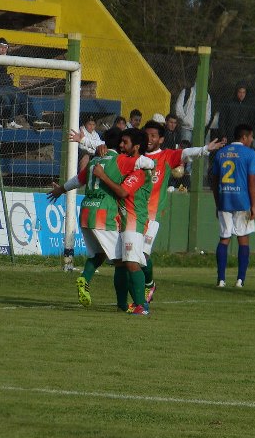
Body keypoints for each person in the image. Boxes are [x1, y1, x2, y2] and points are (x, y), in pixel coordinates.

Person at [47, 128, 154, 308]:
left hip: (86, 212)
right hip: (105, 215)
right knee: (123, 262)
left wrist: (61, 189)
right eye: (121, 142)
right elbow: (148, 163)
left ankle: (85, 278)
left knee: (99, 254)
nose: (122, 145)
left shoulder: (94, 160)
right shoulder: (122, 160)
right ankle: (134, 305)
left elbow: (78, 180)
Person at [142, 121, 225, 301]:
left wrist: (205, 149)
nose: (149, 139)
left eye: (153, 136)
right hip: (131, 213)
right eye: (146, 135)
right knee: (127, 258)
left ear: (161, 139)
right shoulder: (136, 155)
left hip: (152, 215)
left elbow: (186, 153)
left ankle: (148, 286)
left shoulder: (166, 156)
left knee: (142, 255)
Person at [92, 128, 152, 315]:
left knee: (132, 263)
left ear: (136, 146)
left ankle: (142, 306)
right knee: (120, 263)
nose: (120, 145)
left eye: (125, 142)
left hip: (134, 221)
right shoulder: (125, 164)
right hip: (122, 220)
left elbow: (123, 192)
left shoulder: (141, 171)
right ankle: (122, 305)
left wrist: (102, 176)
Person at [210, 124, 255, 289]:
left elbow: (214, 180)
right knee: (243, 239)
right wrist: (254, 205)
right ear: (244, 137)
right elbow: (252, 180)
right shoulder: (250, 154)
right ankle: (240, 280)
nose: (252, 140)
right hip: (242, 201)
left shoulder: (221, 153)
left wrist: (218, 203)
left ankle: (221, 279)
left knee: (224, 238)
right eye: (251, 137)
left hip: (225, 200)